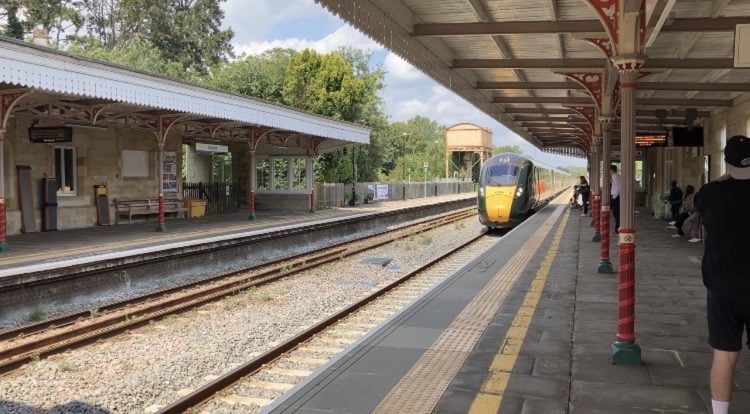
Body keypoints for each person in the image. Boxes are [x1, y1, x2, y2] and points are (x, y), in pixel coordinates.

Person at [694, 135, 750, 414]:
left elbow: (700, 203)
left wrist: (723, 178)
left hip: (723, 286)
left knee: (724, 356)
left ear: (726, 163)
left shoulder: (709, 193)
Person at [610, 165, 620, 233]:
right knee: (616, 213)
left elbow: (618, 188)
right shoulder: (616, 176)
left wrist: (614, 197)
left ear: (611, 170)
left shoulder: (615, 177)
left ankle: (617, 228)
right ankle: (617, 228)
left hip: (616, 196)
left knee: (616, 213)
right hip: (616, 196)